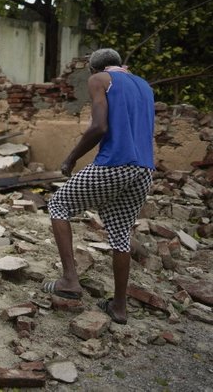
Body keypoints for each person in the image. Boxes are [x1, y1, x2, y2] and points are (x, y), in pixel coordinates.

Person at [43, 48, 154, 325]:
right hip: (144, 170)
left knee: (59, 204)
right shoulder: (144, 86)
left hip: (114, 164)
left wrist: (71, 159)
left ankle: (70, 280)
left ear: (96, 70)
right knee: (119, 233)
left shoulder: (100, 80)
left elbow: (99, 127)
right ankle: (118, 307)